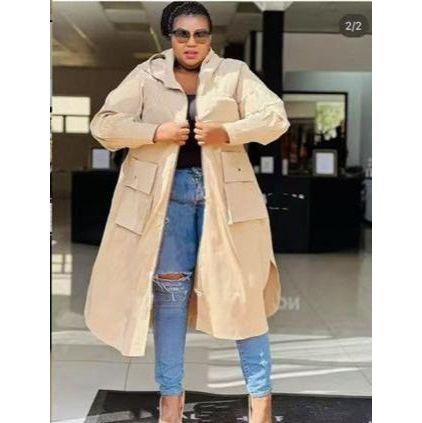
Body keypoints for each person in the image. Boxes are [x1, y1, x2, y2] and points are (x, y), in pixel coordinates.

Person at [86, 2, 290, 422]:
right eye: (182, 34)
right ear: (170, 37)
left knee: (244, 296)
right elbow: (104, 125)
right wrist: (154, 132)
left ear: (210, 37)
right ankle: (171, 402)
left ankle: (261, 403)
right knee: (171, 300)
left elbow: (275, 118)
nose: (192, 42)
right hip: (164, 201)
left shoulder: (233, 73)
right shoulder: (147, 75)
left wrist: (227, 131)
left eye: (200, 34)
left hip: (227, 200)